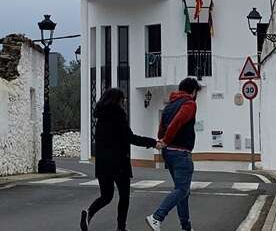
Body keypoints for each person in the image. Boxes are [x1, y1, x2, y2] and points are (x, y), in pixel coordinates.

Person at [81, 87, 158, 231]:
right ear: (118, 101)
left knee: (106, 196)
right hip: (119, 163)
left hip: (103, 164)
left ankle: (89, 212)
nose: (124, 103)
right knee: (124, 196)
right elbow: (130, 138)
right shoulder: (119, 116)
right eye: (123, 100)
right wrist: (153, 142)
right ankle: (121, 228)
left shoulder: (100, 118)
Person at [145, 77, 201, 231]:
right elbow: (178, 121)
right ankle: (157, 217)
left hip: (168, 153)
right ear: (194, 91)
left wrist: (162, 141)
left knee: (182, 191)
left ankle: (186, 227)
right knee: (182, 190)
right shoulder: (190, 103)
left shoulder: (170, 105)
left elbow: (162, 127)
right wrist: (167, 140)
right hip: (181, 153)